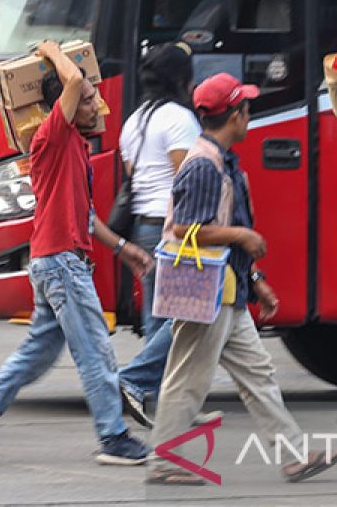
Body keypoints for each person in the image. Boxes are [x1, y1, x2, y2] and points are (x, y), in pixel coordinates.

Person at [0, 41, 155, 467]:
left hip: (56, 263)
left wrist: (125, 249)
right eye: (89, 101)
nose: (97, 105)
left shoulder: (77, 146)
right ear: (65, 104)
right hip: (61, 265)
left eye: (96, 99)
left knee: (37, 355)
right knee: (95, 349)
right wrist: (52, 50)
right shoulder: (50, 137)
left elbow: (88, 216)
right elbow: (75, 78)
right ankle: (114, 437)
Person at [147, 73, 334, 486]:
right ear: (234, 115)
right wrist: (241, 236)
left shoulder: (221, 160)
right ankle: (164, 461)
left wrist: (255, 279)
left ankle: (294, 456)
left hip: (227, 288)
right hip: (205, 293)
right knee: (189, 379)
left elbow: (223, 223)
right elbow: (185, 229)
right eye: (246, 108)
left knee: (259, 374)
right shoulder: (203, 165)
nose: (250, 115)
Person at [115, 44, 201, 427]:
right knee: (186, 317)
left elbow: (134, 176)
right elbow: (187, 180)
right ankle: (130, 379)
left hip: (142, 228)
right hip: (174, 230)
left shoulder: (133, 122)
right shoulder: (180, 119)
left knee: (156, 318)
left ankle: (159, 403)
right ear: (183, 79)